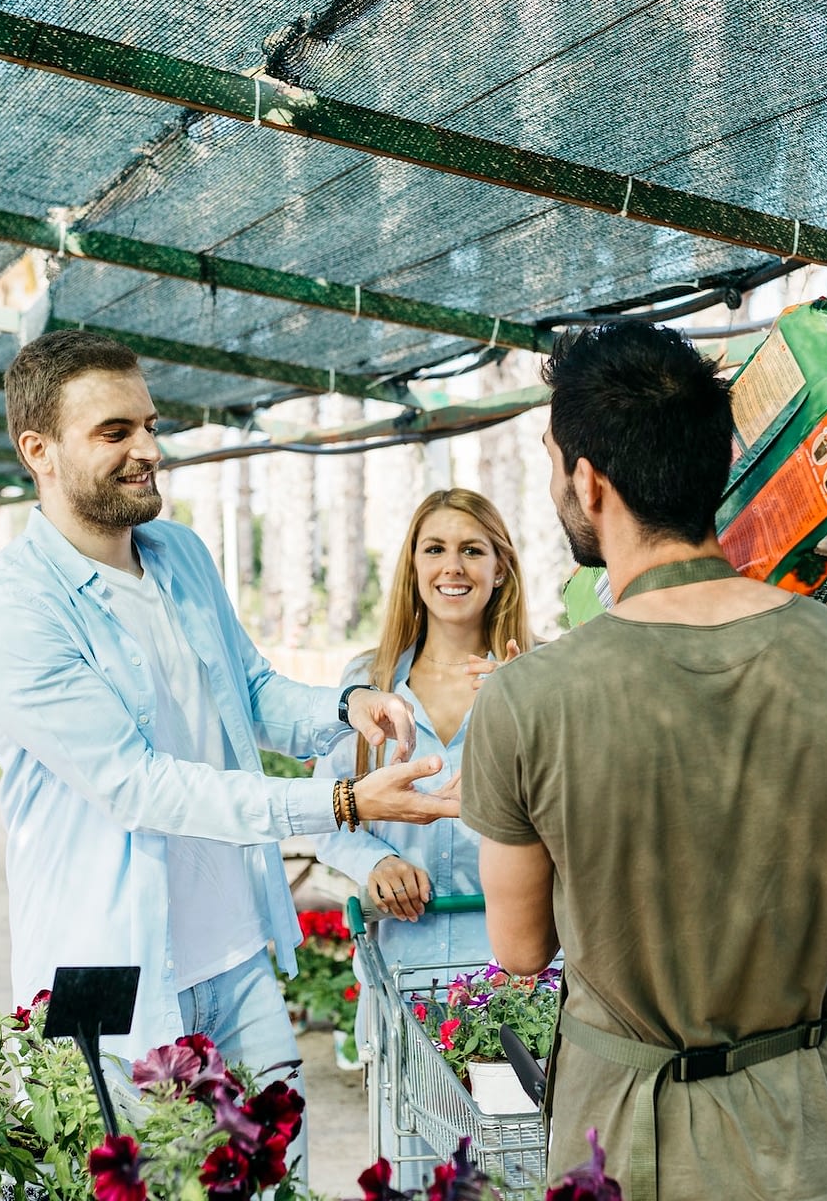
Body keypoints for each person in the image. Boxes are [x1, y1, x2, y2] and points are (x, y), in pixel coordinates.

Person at [461, 322, 827, 1201]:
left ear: (588, 481)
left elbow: (521, 948)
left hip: (629, 1150)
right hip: (812, 1143)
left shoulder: (527, 701)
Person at [0, 330, 460, 1083]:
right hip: (98, 965)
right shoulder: (10, 609)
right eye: (114, 432)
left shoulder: (179, 554)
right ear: (39, 452)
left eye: (151, 425)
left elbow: (247, 690)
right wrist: (343, 803)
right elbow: (138, 785)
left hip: (232, 948)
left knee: (276, 1176)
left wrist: (348, 704)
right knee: (110, 1178)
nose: (149, 449)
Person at [312, 487, 532, 1180]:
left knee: (509, 1166)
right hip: (402, 977)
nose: (453, 566)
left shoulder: (536, 680)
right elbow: (329, 809)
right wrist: (374, 862)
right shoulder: (369, 684)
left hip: (508, 984)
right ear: (413, 566)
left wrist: (528, 713)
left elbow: (579, 817)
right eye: (434, 548)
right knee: (412, 1168)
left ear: (500, 567)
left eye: (473, 549)